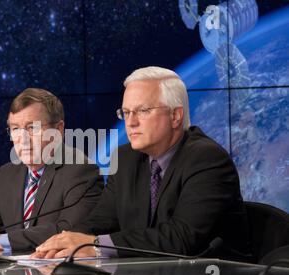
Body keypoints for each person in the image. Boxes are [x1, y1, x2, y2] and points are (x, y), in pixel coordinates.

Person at [33, 66, 250, 260]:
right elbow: (99, 222)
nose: (131, 122)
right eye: (126, 113)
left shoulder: (207, 159)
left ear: (175, 116)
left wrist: (96, 245)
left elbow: (180, 239)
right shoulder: (126, 158)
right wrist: (64, 244)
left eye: (143, 111)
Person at [0, 88, 104, 252]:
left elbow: (69, 232)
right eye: (15, 129)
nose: (22, 139)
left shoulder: (80, 170)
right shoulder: (7, 174)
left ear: (58, 129)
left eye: (32, 128)